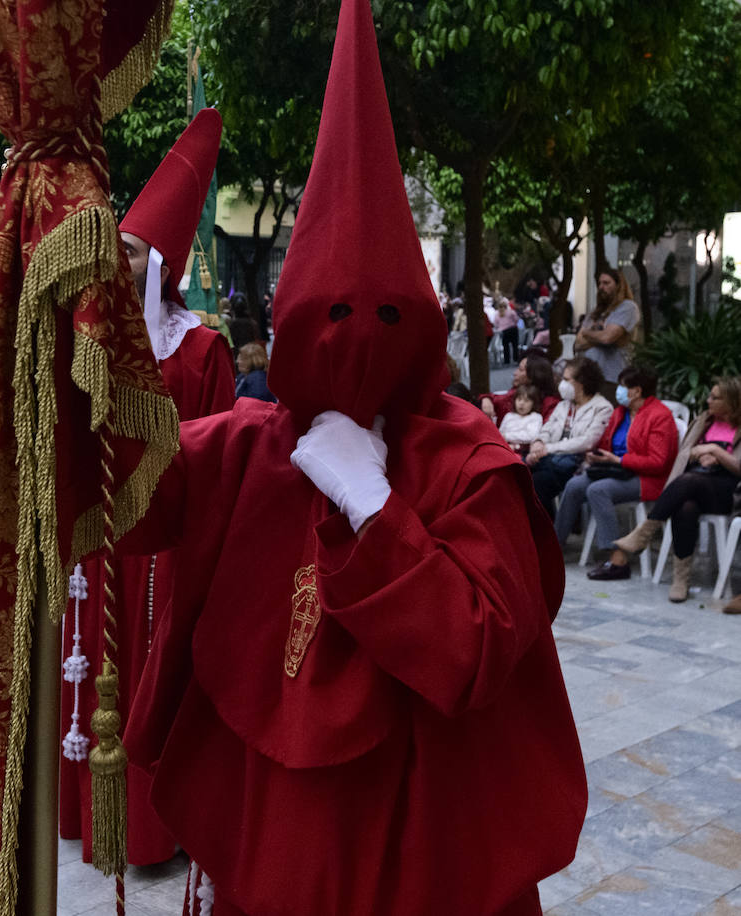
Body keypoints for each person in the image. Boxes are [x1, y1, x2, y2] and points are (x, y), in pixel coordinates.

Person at [122, 4, 585, 911]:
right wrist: (89, 355)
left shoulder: (468, 460)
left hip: (413, 845)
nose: (357, 343)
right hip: (274, 834)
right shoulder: (246, 446)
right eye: (331, 314)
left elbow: (478, 648)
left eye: (384, 317)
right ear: (291, 318)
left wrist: (376, 511)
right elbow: (120, 496)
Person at [59, 107, 237, 871]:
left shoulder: (200, 350)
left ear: (159, 261)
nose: (117, 264)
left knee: (155, 674)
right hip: (102, 547)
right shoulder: (92, 339)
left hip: (164, 549)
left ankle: (153, 829)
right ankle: (93, 819)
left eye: (129, 251)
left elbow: (223, 450)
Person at [609, 377, 741, 600]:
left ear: (732, 401)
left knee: (689, 482)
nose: (708, 400)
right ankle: (681, 579)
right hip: (698, 481)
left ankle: (645, 531)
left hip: (729, 492)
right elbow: (685, 455)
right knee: (685, 507)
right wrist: (699, 455)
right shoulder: (704, 422)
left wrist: (717, 453)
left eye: (715, 397)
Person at [555, 365, 678, 578]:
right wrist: (597, 455)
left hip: (647, 478)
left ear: (636, 391)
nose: (618, 391)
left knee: (598, 490)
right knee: (575, 485)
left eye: (622, 386)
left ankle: (617, 559)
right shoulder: (621, 412)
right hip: (615, 469)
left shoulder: (660, 416)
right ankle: (555, 546)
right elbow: (606, 442)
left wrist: (621, 460)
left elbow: (658, 462)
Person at [526, 357, 613, 519]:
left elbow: (588, 441)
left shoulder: (602, 407)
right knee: (521, 475)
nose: (562, 384)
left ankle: (548, 533)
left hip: (577, 463)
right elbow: (546, 429)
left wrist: (547, 449)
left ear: (582, 383)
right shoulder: (564, 405)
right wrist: (538, 443)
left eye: (566, 380)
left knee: (537, 482)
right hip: (550, 459)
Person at [575, 267, 639, 389]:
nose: (601, 287)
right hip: (587, 378)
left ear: (619, 286)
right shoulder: (596, 312)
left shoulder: (627, 307)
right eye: (599, 283)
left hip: (611, 378)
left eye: (606, 283)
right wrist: (599, 335)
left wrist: (588, 334)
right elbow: (577, 344)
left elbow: (607, 338)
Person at [478, 353, 558, 426]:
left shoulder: (550, 403)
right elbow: (496, 399)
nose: (515, 373)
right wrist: (486, 398)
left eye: (520, 369)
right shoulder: (516, 392)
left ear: (533, 376)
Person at [499, 384, 543, 456]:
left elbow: (531, 436)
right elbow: (500, 434)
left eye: (526, 401)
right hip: (505, 448)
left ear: (533, 404)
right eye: (519, 399)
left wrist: (507, 436)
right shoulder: (509, 416)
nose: (521, 403)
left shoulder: (535, 417)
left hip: (523, 451)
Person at [492, 298, 520, 365]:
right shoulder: (511, 312)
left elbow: (495, 324)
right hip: (513, 329)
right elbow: (516, 319)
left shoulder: (497, 314)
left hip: (503, 331)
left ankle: (507, 360)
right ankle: (515, 359)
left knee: (505, 346)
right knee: (515, 345)